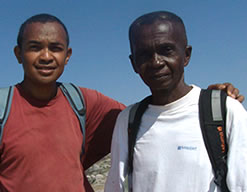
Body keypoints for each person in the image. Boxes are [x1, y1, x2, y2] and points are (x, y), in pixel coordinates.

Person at [0, 13, 243, 192]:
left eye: (55, 48)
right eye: (34, 47)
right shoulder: (4, 107)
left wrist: (216, 101)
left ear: (67, 56)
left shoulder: (86, 103)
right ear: (18, 53)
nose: (45, 56)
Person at [105, 11, 247, 192]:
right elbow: (114, 186)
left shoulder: (225, 111)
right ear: (134, 63)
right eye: (145, 54)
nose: (156, 62)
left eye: (166, 50)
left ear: (186, 55)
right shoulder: (128, 120)